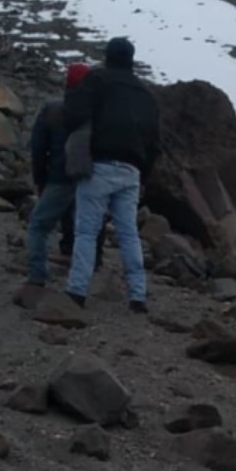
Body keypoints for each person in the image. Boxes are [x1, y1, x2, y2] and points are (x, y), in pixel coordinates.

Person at [63, 37, 162, 314]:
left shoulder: (97, 81)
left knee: (86, 230)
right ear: (131, 59)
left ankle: (77, 291)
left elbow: (74, 115)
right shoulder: (146, 94)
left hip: (100, 165)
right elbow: (154, 142)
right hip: (132, 170)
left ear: (107, 56)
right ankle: (138, 296)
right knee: (129, 234)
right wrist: (145, 175)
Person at [20, 63, 104, 292]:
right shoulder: (97, 115)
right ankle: (87, 268)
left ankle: (37, 275)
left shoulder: (53, 110)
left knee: (39, 225)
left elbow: (39, 149)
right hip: (88, 177)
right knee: (85, 225)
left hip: (59, 177)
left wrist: (40, 180)